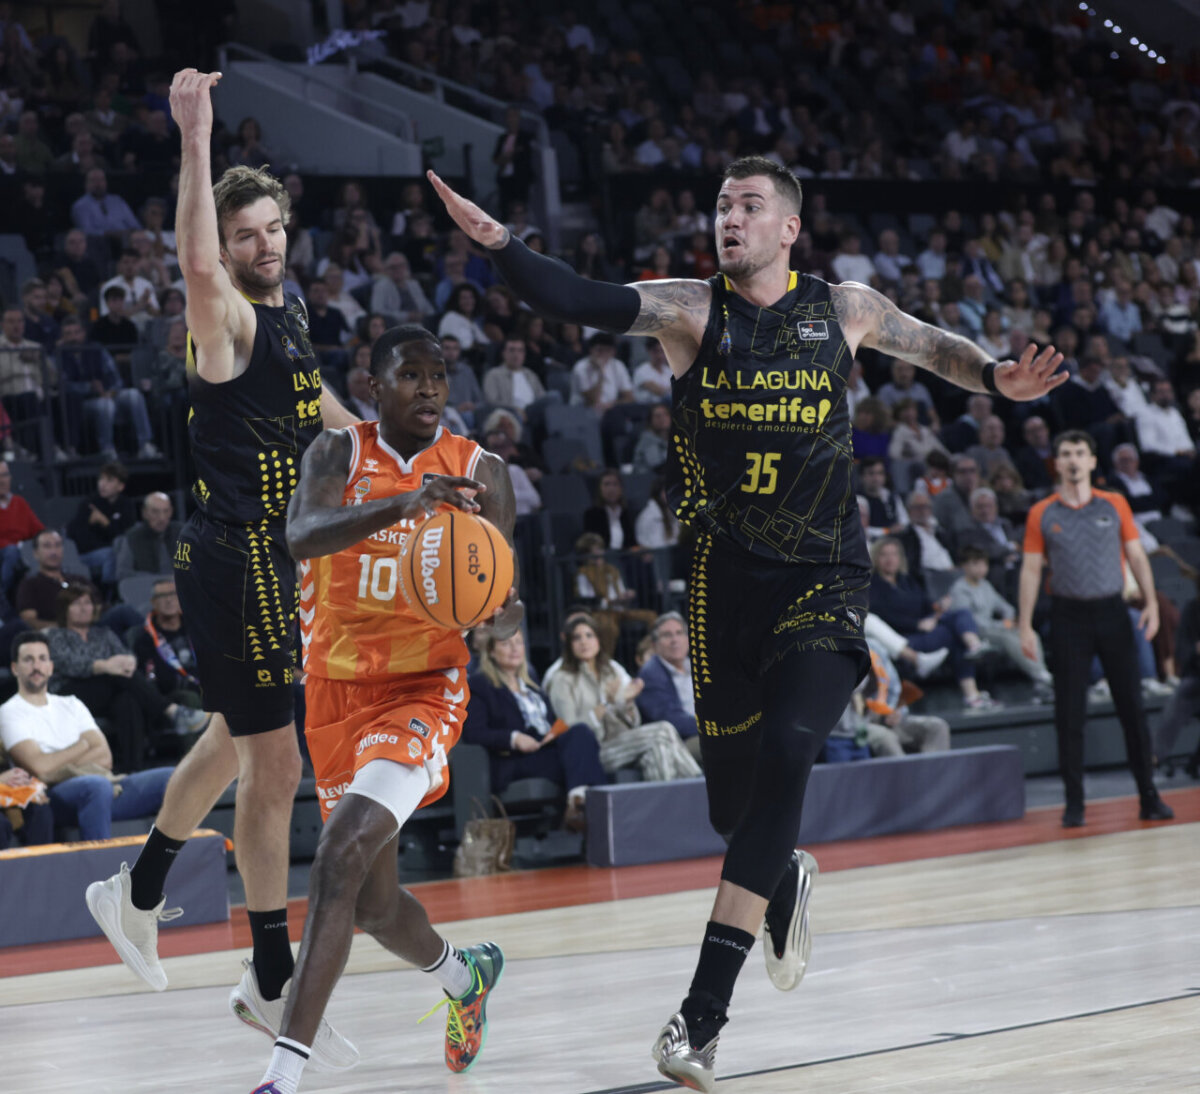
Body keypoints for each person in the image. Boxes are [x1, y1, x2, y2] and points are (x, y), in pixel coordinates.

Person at [429, 153, 1065, 1091]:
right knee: (739, 813)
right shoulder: (690, 309)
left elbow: (934, 347)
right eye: (722, 204)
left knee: (791, 754)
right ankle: (782, 879)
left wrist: (995, 378)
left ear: (788, 228)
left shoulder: (845, 310)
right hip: (724, 589)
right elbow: (578, 298)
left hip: (825, 578)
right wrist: (501, 246)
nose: (730, 218)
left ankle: (700, 1020)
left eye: (749, 206)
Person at [84, 70, 358, 1069]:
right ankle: (272, 973)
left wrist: (391, 451)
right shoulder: (227, 320)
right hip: (230, 556)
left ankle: (141, 887)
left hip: (269, 562)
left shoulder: (285, 320)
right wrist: (192, 140)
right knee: (275, 760)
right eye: (245, 234)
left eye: (272, 228)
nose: (261, 245)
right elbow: (197, 266)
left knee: (239, 745)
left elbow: (319, 399)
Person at [254, 324, 519, 1092]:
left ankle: (281, 1075)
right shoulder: (338, 454)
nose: (430, 388)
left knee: (336, 855)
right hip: (335, 694)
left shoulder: (479, 468)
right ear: (374, 387)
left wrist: (493, 612)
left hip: (422, 688)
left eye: (439, 375)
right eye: (411, 375)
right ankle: (463, 977)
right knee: (370, 905)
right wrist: (408, 504)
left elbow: (499, 596)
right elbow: (300, 537)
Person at [1018, 430, 1176, 828]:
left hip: (1112, 613)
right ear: (1057, 462)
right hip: (1069, 617)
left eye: (1080, 453)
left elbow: (1136, 554)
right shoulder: (1043, 512)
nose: (1073, 460)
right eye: (1065, 453)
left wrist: (1152, 602)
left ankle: (1149, 796)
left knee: (1133, 710)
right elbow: (1032, 570)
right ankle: (1075, 803)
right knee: (1069, 714)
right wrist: (1023, 625)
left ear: (1092, 461)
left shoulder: (1115, 503)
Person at [0, 632, 174, 841]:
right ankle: (100, 870)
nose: (36, 666)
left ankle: (175, 864)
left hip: (106, 785)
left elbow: (105, 757)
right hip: (54, 795)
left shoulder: (72, 704)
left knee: (175, 778)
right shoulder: (9, 712)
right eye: (28, 660)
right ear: (14, 668)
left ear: (51, 666)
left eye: (42, 659)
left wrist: (60, 762)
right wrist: (83, 746)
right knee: (95, 787)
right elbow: (40, 768)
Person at [47, 583, 208, 772]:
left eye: (87, 603)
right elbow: (68, 664)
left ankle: (134, 770)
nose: (84, 608)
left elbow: (126, 655)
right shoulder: (56, 636)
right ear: (64, 610)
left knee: (128, 699)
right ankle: (170, 711)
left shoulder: (103, 634)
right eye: (76, 604)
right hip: (72, 694)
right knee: (117, 676)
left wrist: (128, 662)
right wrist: (105, 665)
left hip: (111, 689)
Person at [465, 629, 606, 833]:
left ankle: (579, 803)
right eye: (506, 644)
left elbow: (549, 724)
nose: (515, 649)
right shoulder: (479, 685)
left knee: (581, 732)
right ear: (492, 652)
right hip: (514, 759)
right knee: (583, 760)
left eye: (519, 643)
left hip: (544, 750)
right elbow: (474, 732)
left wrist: (554, 732)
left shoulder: (532, 686)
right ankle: (593, 812)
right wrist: (513, 738)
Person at [547, 612, 701, 783]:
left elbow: (633, 722)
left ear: (598, 640)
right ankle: (697, 782)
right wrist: (602, 708)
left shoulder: (611, 671)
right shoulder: (562, 679)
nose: (584, 641)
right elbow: (571, 731)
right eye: (577, 637)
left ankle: (667, 808)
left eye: (589, 635)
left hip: (626, 741)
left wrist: (627, 702)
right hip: (597, 750)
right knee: (662, 730)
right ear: (569, 644)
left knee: (657, 754)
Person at [870, 537, 998, 712]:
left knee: (960, 614)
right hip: (904, 640)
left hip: (925, 632)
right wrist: (917, 624)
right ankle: (972, 692)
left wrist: (937, 609)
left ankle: (974, 647)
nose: (890, 559)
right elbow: (880, 617)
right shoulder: (872, 585)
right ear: (876, 558)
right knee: (953, 634)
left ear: (900, 558)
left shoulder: (907, 581)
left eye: (894, 554)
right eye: (884, 555)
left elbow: (926, 606)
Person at [948, 546, 1054, 702]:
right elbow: (967, 620)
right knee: (1007, 638)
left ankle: (1042, 675)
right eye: (976, 564)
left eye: (984, 564)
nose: (981, 569)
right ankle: (1040, 675)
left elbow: (1005, 607)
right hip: (977, 633)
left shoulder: (985, 585)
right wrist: (1001, 625)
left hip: (994, 628)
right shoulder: (959, 589)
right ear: (965, 566)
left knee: (1029, 633)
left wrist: (1011, 619)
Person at [636, 612, 702, 763]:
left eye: (679, 633)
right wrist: (710, 726)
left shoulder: (697, 666)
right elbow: (669, 720)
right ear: (655, 645)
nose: (675, 640)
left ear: (687, 638)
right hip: (681, 742)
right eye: (667, 635)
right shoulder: (651, 674)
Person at [130, 578, 203, 710]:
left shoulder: (195, 627)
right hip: (174, 696)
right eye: (162, 596)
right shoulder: (145, 639)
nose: (169, 600)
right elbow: (154, 681)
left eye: (173, 594)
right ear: (153, 602)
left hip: (205, 685)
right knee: (191, 697)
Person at [112, 491, 181, 580]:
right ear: (145, 513)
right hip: (148, 589)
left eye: (166, 511)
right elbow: (122, 573)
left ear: (171, 511)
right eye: (155, 512)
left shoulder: (181, 533)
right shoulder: (133, 537)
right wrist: (155, 580)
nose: (162, 518)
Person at [0, 459, 44, 592]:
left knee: (48, 545)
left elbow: (38, 530)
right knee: (12, 552)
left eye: (5, 475)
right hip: (7, 551)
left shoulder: (20, 502)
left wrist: (48, 539)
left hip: (23, 550)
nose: (2, 480)